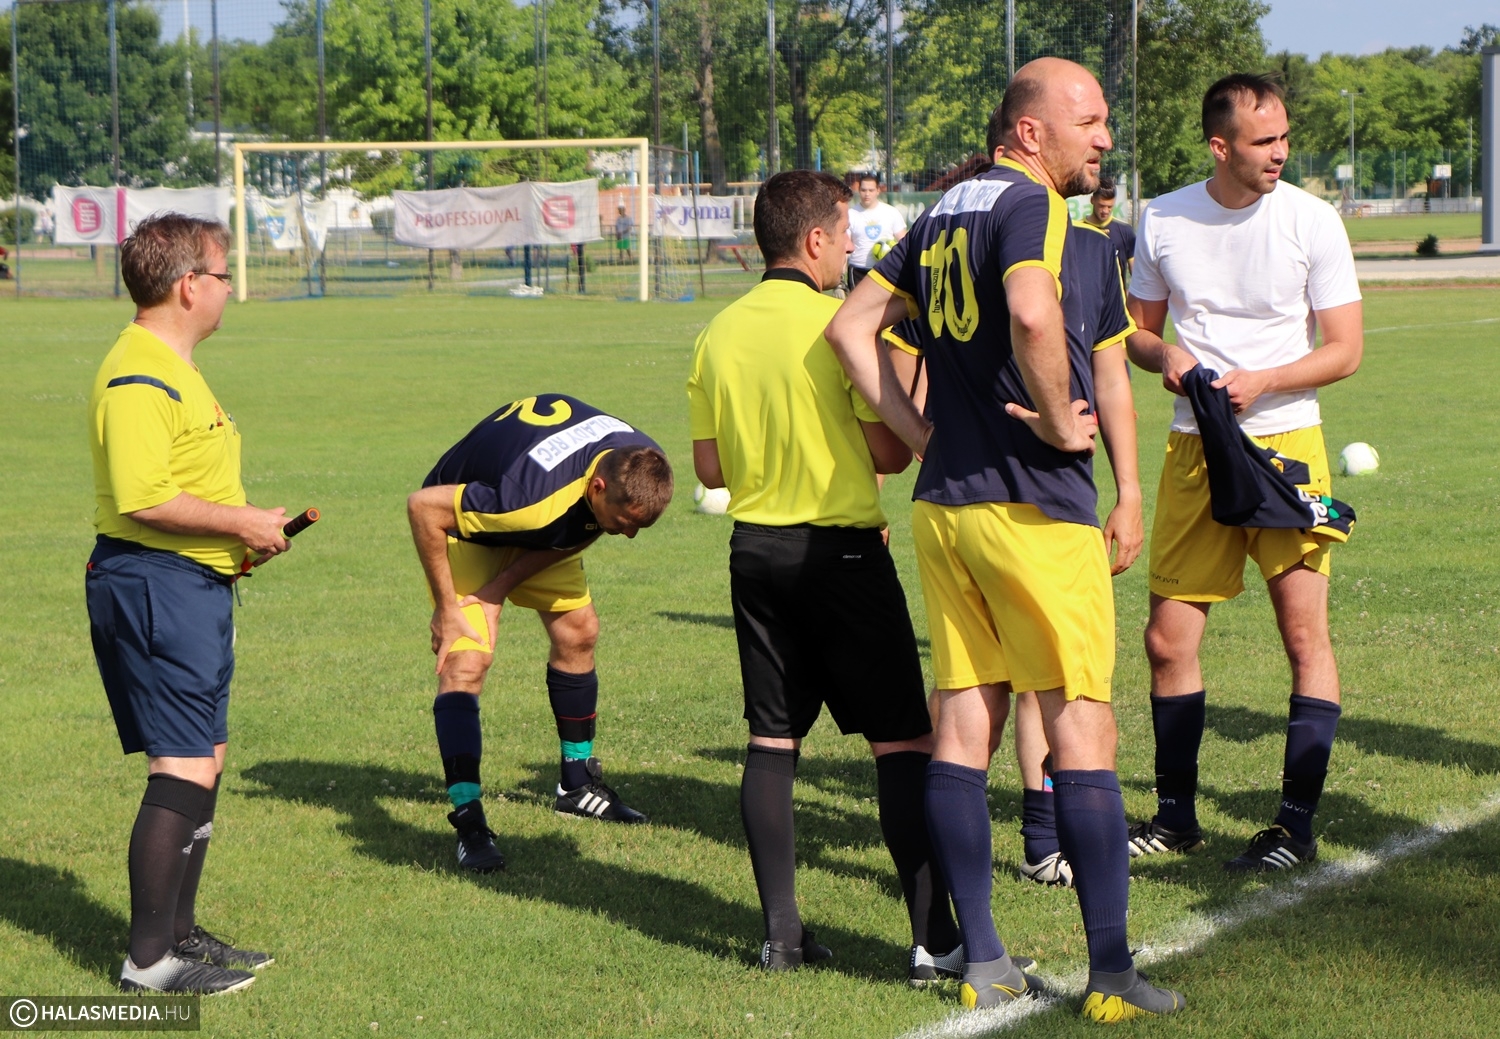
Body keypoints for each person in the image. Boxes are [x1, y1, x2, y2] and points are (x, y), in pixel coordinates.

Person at [826, 58, 1185, 1021]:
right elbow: (1032, 313)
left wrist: (919, 437)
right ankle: (1111, 974)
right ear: (1031, 131)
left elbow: (850, 328)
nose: (1105, 137)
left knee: (963, 725)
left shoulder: (943, 212)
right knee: (1082, 725)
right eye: (1090, 120)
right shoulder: (1034, 209)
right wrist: (1065, 428)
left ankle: (983, 959)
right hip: (1034, 508)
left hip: (947, 508)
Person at [686, 169, 962, 982]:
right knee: (903, 741)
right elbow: (888, 453)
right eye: (845, 236)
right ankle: (935, 939)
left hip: (755, 553)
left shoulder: (718, 332)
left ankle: (782, 936)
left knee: (772, 740)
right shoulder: (840, 326)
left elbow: (710, 468)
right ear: (814, 240)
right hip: (841, 553)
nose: (850, 250)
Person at [1124, 73, 1363, 873]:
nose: (1281, 152)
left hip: (1288, 447)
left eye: (1285, 137)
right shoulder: (1162, 217)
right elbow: (1137, 335)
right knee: (1167, 640)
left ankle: (1295, 827)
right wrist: (1165, 355)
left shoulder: (1312, 219)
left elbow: (1345, 349)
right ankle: (1175, 819)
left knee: (1302, 633)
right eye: (1265, 141)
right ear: (1219, 145)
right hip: (1194, 448)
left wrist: (1266, 380)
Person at [87, 213, 286, 994]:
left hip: (190, 583)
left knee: (207, 756)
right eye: (226, 274)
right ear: (188, 285)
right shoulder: (139, 374)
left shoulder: (173, 365)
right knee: (182, 762)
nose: (233, 288)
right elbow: (143, 497)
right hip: (154, 584)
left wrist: (238, 540)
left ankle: (179, 932)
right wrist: (241, 522)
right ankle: (148, 962)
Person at [406, 395, 672, 873]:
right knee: (467, 660)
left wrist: (499, 589)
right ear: (597, 486)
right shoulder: (526, 501)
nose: (628, 535)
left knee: (579, 631)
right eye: (624, 524)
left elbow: (583, 524)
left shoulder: (637, 461)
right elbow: (423, 507)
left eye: (639, 527)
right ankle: (469, 822)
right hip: (462, 527)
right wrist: (448, 609)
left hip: (540, 513)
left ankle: (576, 785)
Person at [846, 173, 907, 289]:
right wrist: (840, 279)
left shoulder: (891, 212)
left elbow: (904, 242)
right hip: (858, 269)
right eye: (863, 190)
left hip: (884, 269)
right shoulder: (850, 214)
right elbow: (844, 247)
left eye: (871, 190)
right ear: (858, 190)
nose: (867, 194)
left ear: (878, 191)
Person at [1082, 175, 1135, 280]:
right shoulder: (1078, 230)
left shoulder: (1125, 231)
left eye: (1109, 207)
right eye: (1101, 206)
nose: (1105, 211)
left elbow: (1136, 273)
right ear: (1092, 200)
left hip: (1117, 291)